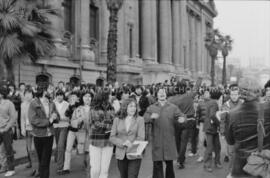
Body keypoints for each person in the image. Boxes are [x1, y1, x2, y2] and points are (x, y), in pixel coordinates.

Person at [226, 82, 270, 178]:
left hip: (240, 165)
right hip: (262, 164)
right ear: (259, 92)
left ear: (241, 93)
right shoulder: (268, 109)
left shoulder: (232, 114)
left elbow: (230, 140)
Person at [144, 87, 185, 178]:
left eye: (163, 92)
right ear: (157, 95)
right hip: (157, 140)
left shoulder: (173, 107)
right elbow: (144, 118)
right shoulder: (151, 107)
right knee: (157, 164)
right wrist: (151, 117)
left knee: (169, 164)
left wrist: (182, 119)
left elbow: (181, 115)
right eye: (159, 92)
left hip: (169, 139)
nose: (162, 93)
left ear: (166, 94)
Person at [28, 86, 59, 178]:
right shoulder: (34, 103)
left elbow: (57, 117)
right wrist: (48, 121)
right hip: (38, 135)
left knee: (45, 161)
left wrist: (55, 117)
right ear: (44, 91)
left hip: (49, 135)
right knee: (41, 160)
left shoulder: (52, 103)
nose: (51, 91)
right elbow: (33, 120)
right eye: (49, 90)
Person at [110, 98, 145, 178]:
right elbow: (112, 137)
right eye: (131, 106)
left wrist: (131, 144)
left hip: (134, 153)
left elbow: (141, 137)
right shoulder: (117, 119)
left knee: (132, 176)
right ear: (125, 107)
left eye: (135, 106)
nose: (133, 108)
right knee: (123, 176)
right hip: (121, 154)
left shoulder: (140, 119)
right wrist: (122, 143)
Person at [61, 91, 91, 175]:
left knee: (85, 149)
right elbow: (67, 114)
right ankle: (66, 168)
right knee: (68, 148)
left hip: (83, 131)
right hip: (72, 130)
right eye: (85, 96)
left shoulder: (92, 109)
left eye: (89, 96)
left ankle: (86, 163)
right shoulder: (75, 106)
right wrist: (72, 105)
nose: (87, 98)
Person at [88, 90, 115, 178]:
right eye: (109, 96)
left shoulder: (112, 108)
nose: (111, 97)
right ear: (104, 97)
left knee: (105, 170)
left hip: (108, 141)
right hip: (96, 140)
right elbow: (96, 124)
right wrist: (109, 125)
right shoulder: (93, 108)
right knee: (96, 169)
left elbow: (114, 121)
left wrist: (108, 124)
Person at [203, 88, 222, 172]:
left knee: (215, 146)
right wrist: (219, 124)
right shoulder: (214, 103)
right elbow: (212, 115)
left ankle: (215, 162)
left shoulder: (209, 102)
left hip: (209, 127)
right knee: (212, 147)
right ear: (219, 96)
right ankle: (209, 164)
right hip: (211, 128)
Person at [0, 86, 16, 177]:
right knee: (1, 150)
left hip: (6, 130)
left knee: (8, 150)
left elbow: (13, 117)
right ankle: (4, 166)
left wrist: (6, 128)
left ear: (1, 94)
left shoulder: (9, 103)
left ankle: (11, 169)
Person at [53, 90, 70, 174]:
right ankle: (60, 158)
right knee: (59, 145)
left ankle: (60, 167)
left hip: (64, 127)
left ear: (63, 96)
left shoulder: (67, 104)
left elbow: (69, 117)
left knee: (60, 146)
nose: (59, 97)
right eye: (58, 95)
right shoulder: (53, 103)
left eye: (61, 95)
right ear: (56, 96)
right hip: (55, 127)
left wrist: (61, 118)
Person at [20, 88, 35, 169]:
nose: (28, 96)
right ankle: (31, 162)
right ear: (24, 95)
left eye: (30, 93)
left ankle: (36, 165)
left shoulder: (35, 102)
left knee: (35, 148)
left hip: (35, 128)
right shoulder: (22, 104)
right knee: (28, 148)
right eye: (26, 94)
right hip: (27, 128)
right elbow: (22, 118)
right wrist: (22, 128)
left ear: (32, 94)